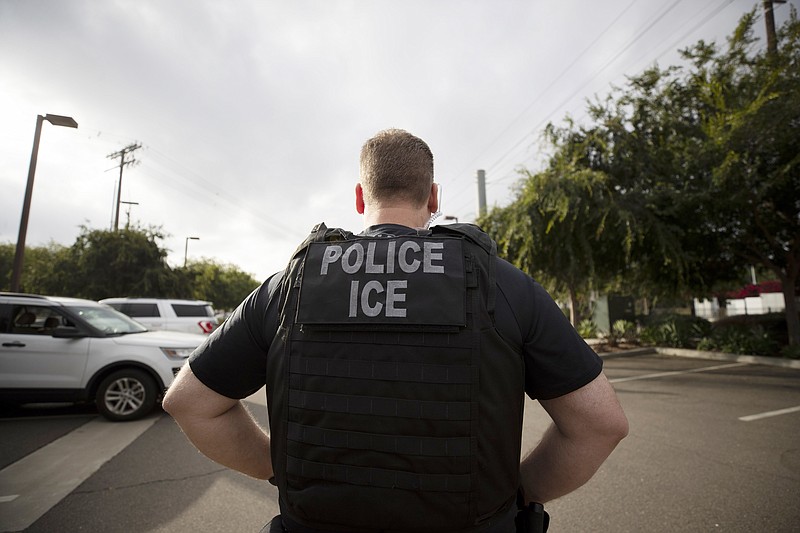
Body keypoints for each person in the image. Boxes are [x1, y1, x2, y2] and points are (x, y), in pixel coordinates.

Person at [163, 128, 628, 533]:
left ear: (361, 197)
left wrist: (275, 466)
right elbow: (599, 425)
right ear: (434, 198)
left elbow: (189, 403)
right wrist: (520, 491)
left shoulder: (291, 285)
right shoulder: (501, 283)